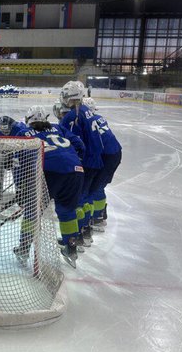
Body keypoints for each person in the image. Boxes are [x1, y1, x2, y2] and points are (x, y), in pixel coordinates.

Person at [15, 105, 85, 267]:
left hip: (47, 172)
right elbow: (80, 145)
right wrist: (71, 161)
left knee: (33, 212)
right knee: (67, 211)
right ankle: (71, 247)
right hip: (75, 171)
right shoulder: (58, 128)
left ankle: (24, 249)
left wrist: (20, 187)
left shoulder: (24, 133)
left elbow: (19, 162)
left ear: (28, 120)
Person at [60, 81, 104, 245]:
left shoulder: (73, 116)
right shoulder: (86, 111)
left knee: (77, 202)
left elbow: (71, 143)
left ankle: (76, 237)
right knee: (86, 199)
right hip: (96, 161)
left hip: (85, 163)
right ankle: (86, 232)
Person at [83, 98, 121, 232]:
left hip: (107, 156)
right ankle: (99, 214)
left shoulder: (86, 121)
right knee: (99, 185)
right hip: (115, 153)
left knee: (95, 186)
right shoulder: (99, 118)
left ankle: (98, 217)